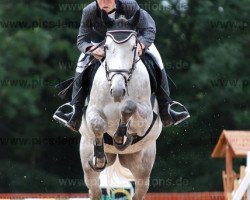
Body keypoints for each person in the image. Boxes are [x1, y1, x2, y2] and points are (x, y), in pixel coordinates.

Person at [53, 0, 190, 132]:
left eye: (108, 0)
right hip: (102, 41)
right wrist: (92, 49)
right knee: (82, 62)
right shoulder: (89, 10)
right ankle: (75, 111)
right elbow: (81, 39)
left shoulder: (129, 5)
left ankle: (167, 108)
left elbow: (148, 28)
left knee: (156, 58)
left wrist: (142, 45)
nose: (104, 3)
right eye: (101, 0)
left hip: (133, 39)